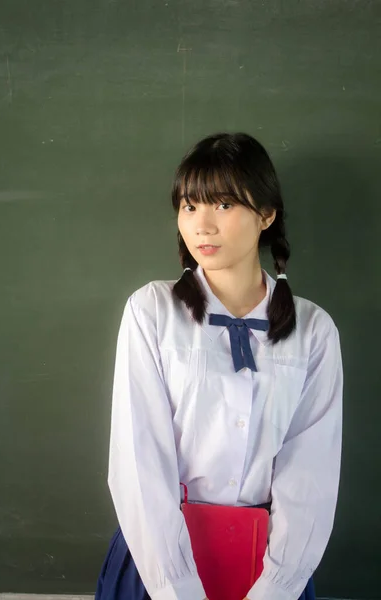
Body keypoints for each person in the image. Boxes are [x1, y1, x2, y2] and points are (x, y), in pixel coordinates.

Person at [95, 132, 343, 600]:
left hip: (270, 567)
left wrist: (276, 586)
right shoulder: (152, 311)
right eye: (189, 207)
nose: (202, 226)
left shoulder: (313, 329)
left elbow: (311, 470)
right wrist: (177, 587)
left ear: (266, 215)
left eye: (224, 205)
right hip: (159, 564)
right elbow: (138, 461)